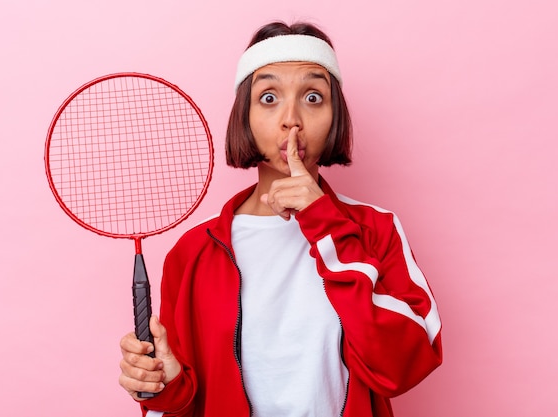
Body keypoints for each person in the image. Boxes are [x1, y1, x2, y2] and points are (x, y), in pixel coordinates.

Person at [118, 21, 442, 417]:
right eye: (269, 97)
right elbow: (182, 404)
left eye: (313, 97)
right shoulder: (192, 253)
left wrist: (324, 221)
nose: (292, 119)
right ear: (245, 117)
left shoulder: (376, 229)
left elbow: (403, 366)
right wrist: (167, 388)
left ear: (334, 115)